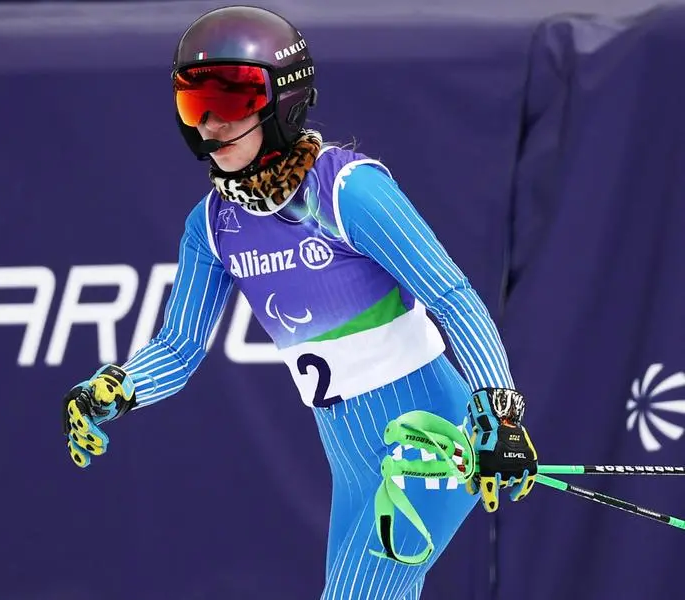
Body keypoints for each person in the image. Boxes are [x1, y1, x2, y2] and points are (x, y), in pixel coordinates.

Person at [62, 5, 539, 599]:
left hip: (428, 437)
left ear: (282, 102)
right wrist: (117, 388)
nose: (210, 124)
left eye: (231, 102)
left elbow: (453, 297)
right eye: (194, 104)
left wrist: (500, 411)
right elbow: (180, 347)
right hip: (353, 458)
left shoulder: (347, 190)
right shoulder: (213, 227)